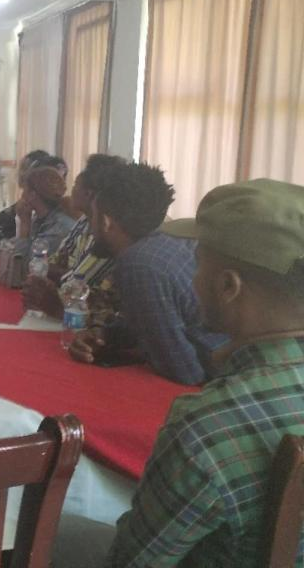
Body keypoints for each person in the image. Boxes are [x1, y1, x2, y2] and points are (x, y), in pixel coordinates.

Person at [67, 179, 304, 568]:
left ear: (227, 286)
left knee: (51, 527)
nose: (190, 278)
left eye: (198, 263)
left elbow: (133, 561)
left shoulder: (208, 425)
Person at [68, 162, 228, 385]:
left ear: (106, 222)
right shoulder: (167, 245)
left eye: (92, 216)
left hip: (214, 385)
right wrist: (104, 336)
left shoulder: (139, 264)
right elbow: (154, 322)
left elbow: (185, 372)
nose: (91, 226)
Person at [22, 153, 125, 323]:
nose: (69, 191)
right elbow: (53, 263)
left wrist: (62, 277)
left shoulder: (110, 236)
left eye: (76, 185)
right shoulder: (84, 221)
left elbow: (77, 283)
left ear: (90, 195)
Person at [14, 165, 77, 258]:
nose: (22, 195)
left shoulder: (58, 229)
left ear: (33, 195)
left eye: (25, 190)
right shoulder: (38, 219)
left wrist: (24, 225)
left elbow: (27, 262)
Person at [0, 149, 52, 239]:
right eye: (21, 169)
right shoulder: (24, 201)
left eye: (25, 169)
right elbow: (4, 217)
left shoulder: (42, 205)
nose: (21, 174)